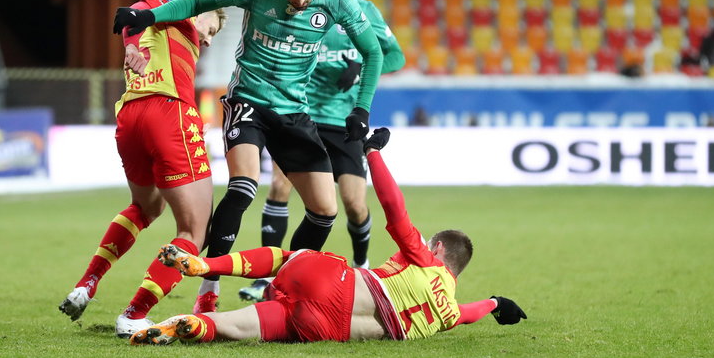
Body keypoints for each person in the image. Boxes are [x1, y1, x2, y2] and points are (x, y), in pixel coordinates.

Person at [112, 0, 384, 331]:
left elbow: (373, 52)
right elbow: (197, 2)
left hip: (294, 113)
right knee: (244, 187)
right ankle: (209, 285)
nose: (302, 1)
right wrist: (147, 16)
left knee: (325, 211)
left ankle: (283, 286)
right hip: (249, 102)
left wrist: (362, 108)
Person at [129, 128, 527, 346]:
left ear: (438, 248)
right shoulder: (448, 314)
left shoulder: (424, 258)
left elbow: (395, 208)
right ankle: (200, 326)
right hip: (321, 328)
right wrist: (495, 302)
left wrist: (372, 154)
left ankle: (208, 265)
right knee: (239, 326)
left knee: (292, 256)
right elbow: (468, 314)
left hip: (331, 284)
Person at [241, 0, 405, 302]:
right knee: (278, 188)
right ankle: (267, 279)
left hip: (344, 123)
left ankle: (362, 266)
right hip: (301, 115)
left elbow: (394, 58)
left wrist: (358, 73)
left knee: (353, 203)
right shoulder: (295, 6)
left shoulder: (360, 10)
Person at [59, 0, 226, 338]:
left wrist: (133, 44)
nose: (208, 41)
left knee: (145, 207)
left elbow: (132, 19)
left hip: (131, 116)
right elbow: (131, 11)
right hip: (168, 113)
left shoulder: (160, 29)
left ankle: (87, 283)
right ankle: (135, 314)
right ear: (198, 9)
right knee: (195, 230)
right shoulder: (179, 9)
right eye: (210, 29)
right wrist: (132, 45)